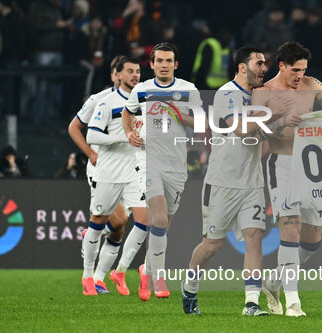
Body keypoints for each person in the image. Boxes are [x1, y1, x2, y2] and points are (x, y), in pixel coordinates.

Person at [252, 41, 322, 316]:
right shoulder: (264, 92)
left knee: (313, 238)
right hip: (282, 164)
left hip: (312, 166)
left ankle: (274, 281)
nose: (300, 75)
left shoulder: (312, 85)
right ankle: (293, 302)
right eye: (296, 70)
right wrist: (282, 123)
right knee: (290, 227)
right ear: (282, 66)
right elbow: (255, 133)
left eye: (304, 70)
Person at [181, 47, 273, 316]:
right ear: (243, 67)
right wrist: (271, 113)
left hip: (252, 182)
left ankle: (251, 303)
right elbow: (242, 129)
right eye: (259, 63)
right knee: (212, 245)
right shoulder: (227, 94)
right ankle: (189, 288)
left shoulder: (258, 97)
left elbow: (260, 140)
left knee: (254, 238)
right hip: (222, 182)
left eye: (265, 63)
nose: (264, 67)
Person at [122, 42, 202, 301]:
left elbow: (201, 123)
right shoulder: (142, 89)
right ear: (152, 64)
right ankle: (159, 277)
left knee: (164, 225)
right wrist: (129, 132)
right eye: (159, 61)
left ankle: (147, 266)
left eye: (169, 61)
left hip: (176, 164)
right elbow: (127, 112)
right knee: (156, 220)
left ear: (176, 64)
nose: (164, 65)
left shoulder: (188, 90)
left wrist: (182, 115)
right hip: (148, 160)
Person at [68, 56, 145, 295]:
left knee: (125, 227)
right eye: (128, 71)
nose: (134, 75)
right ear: (115, 75)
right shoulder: (100, 100)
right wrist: (91, 153)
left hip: (133, 169)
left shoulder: (144, 100)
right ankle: (91, 271)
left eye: (137, 71)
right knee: (118, 220)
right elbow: (75, 128)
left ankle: (102, 277)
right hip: (104, 168)